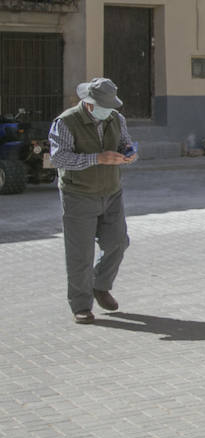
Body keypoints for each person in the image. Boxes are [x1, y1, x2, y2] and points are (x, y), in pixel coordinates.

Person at [49, 78, 138, 324]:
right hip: (78, 194)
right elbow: (59, 159)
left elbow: (126, 144)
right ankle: (81, 305)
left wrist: (129, 154)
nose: (108, 111)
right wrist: (97, 158)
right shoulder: (66, 122)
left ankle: (100, 284)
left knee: (118, 241)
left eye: (112, 106)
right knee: (80, 253)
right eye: (104, 106)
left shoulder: (116, 119)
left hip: (111, 191)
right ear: (89, 103)